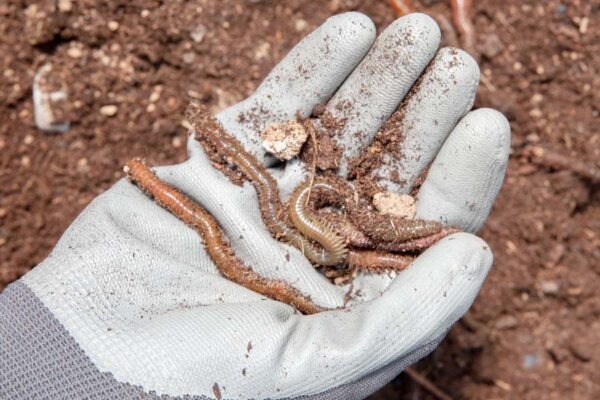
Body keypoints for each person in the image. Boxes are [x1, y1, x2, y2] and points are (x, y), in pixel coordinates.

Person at [0, 12, 510, 399]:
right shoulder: (300, 220)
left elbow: (310, 234)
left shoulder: (312, 217)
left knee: (279, 208)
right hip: (312, 223)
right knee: (275, 211)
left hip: (317, 219)